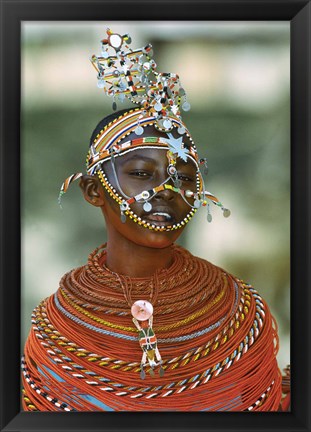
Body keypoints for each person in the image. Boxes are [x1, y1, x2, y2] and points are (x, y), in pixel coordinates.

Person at [21, 29, 290, 412]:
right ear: (93, 191)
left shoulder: (241, 312)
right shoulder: (55, 328)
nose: (166, 189)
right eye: (143, 174)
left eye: (182, 177)